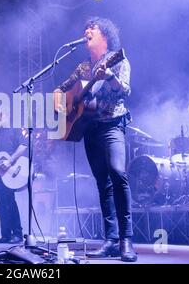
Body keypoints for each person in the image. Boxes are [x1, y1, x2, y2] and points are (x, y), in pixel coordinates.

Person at [53, 17, 137, 262]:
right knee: (102, 183)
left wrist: (109, 75)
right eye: (84, 28)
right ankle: (110, 240)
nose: (86, 30)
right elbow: (61, 88)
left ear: (105, 36)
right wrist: (61, 104)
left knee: (117, 173)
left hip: (112, 124)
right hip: (89, 128)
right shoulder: (82, 68)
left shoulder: (117, 60)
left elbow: (125, 90)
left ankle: (126, 240)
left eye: (92, 28)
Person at [0, 114, 27, 244]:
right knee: (0, 204)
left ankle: (17, 234)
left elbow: (23, 146)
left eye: (1, 115)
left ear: (7, 116)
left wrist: (10, 161)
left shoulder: (14, 129)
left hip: (10, 172)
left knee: (10, 202)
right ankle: (5, 234)